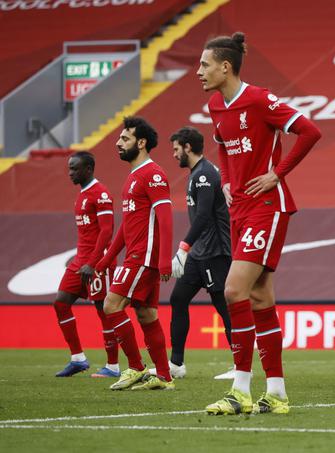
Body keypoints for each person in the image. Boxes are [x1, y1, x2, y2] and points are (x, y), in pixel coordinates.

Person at [198, 32, 321, 415]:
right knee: (260, 298)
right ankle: (278, 393)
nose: (198, 72)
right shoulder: (216, 104)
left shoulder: (259, 99)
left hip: (269, 205)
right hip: (240, 209)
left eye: (204, 65)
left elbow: (310, 131)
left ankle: (239, 390)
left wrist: (277, 174)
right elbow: (220, 141)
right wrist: (228, 181)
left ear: (226, 66)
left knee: (233, 290)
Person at [95, 116, 175, 391]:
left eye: (125, 138)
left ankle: (136, 368)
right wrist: (107, 257)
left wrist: (165, 259)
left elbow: (165, 218)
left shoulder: (152, 174)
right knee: (146, 315)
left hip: (144, 256)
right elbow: (127, 227)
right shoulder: (132, 177)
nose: (118, 142)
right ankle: (163, 376)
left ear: (141, 143)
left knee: (111, 305)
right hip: (139, 255)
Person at [148, 126, 234, 380]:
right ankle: (176, 364)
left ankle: (241, 367)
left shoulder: (205, 174)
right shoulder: (197, 173)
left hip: (215, 251)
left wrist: (183, 247)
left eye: (176, 149)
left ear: (188, 147)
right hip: (200, 252)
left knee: (224, 307)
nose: (174, 154)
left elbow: (205, 215)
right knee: (178, 299)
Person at [54, 151, 119, 378]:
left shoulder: (100, 194)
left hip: (98, 261)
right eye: (69, 168)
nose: (70, 173)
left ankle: (113, 366)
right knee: (61, 302)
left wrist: (94, 263)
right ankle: (78, 359)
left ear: (88, 169)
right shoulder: (82, 194)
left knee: (105, 312)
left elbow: (107, 230)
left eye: (74, 168)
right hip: (80, 261)